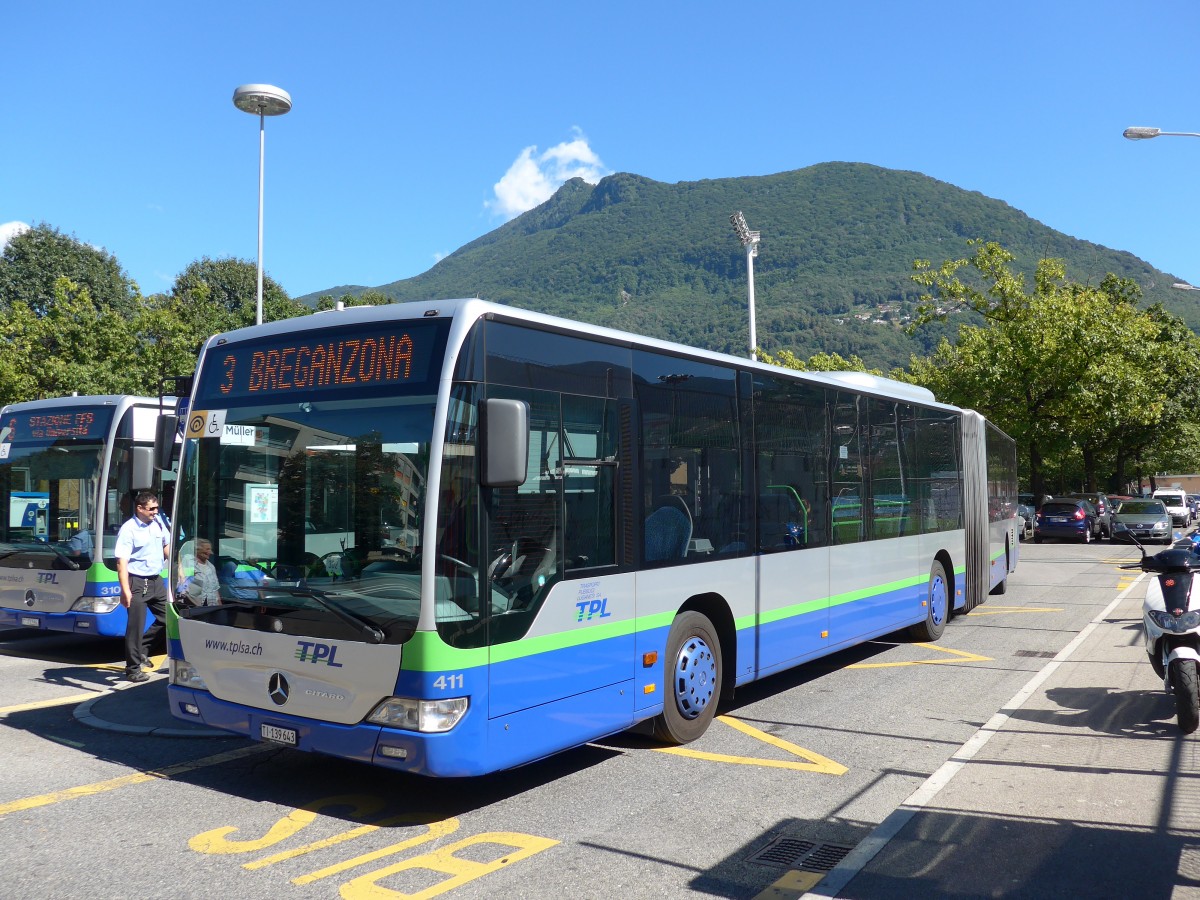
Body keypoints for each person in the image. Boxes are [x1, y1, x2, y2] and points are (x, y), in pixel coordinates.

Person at [115, 491, 170, 682]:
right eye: (152, 509)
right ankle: (132, 669)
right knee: (135, 629)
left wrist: (179, 566)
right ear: (139, 508)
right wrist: (125, 591)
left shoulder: (158, 523)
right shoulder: (128, 529)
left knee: (170, 618)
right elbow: (122, 562)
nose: (156, 512)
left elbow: (166, 547)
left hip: (156, 581)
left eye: (157, 508)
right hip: (137, 582)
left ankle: (143, 650)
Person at [176, 537, 219, 606]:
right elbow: (182, 583)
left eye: (210, 549)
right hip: (193, 606)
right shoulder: (188, 561)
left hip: (211, 605)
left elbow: (215, 589)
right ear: (197, 550)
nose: (210, 552)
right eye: (207, 549)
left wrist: (220, 606)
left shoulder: (211, 567)